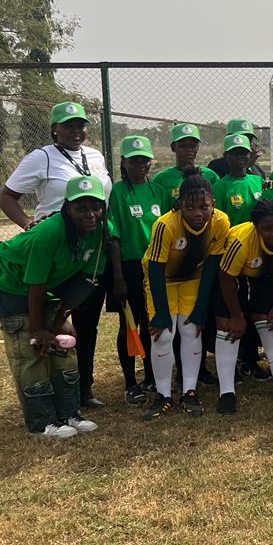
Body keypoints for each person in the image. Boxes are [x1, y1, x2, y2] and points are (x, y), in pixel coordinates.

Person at [0, 102, 113, 409]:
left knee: (85, 320)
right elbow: (7, 196)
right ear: (54, 129)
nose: (76, 131)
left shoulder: (96, 156)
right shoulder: (41, 157)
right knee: (47, 320)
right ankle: (48, 393)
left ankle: (83, 387)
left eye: (81, 125)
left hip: (88, 247)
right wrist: (27, 223)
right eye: (68, 125)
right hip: (55, 246)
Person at [0, 175, 108, 437]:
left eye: (96, 206)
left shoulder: (100, 229)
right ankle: (42, 421)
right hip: (12, 282)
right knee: (29, 348)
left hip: (52, 283)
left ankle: (69, 413)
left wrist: (56, 323)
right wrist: (38, 329)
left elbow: (86, 280)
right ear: (68, 207)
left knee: (64, 341)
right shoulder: (50, 232)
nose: (90, 214)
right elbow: (36, 285)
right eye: (81, 207)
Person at [143, 169, 230, 420]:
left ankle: (190, 391)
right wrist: (160, 313)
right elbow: (156, 269)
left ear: (212, 203)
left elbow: (212, 265)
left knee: (192, 330)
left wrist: (202, 307)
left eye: (204, 206)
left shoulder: (221, 222)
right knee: (163, 335)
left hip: (193, 279)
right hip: (164, 282)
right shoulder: (165, 225)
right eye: (190, 207)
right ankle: (163, 394)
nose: (198, 213)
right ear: (180, 205)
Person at [213, 199, 273, 414]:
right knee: (228, 326)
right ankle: (227, 392)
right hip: (234, 279)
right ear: (257, 228)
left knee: (271, 322)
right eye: (267, 228)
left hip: (266, 275)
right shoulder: (241, 240)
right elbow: (226, 278)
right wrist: (237, 316)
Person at [107, 136, 165, 405]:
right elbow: (114, 237)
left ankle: (151, 376)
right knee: (128, 325)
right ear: (124, 162)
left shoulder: (158, 191)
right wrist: (117, 278)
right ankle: (130, 383)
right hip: (128, 268)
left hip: (154, 267)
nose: (140, 165)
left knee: (150, 323)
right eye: (134, 160)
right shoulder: (119, 192)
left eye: (144, 160)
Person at [151, 123, 219, 201]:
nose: (189, 150)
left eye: (193, 146)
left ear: (198, 147)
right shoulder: (161, 179)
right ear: (173, 147)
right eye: (183, 146)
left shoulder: (210, 176)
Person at [213, 134, 265, 227]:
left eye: (244, 152)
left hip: (258, 237)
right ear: (225, 156)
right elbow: (219, 221)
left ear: (249, 154)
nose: (240, 156)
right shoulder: (219, 187)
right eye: (235, 153)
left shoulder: (259, 180)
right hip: (234, 239)